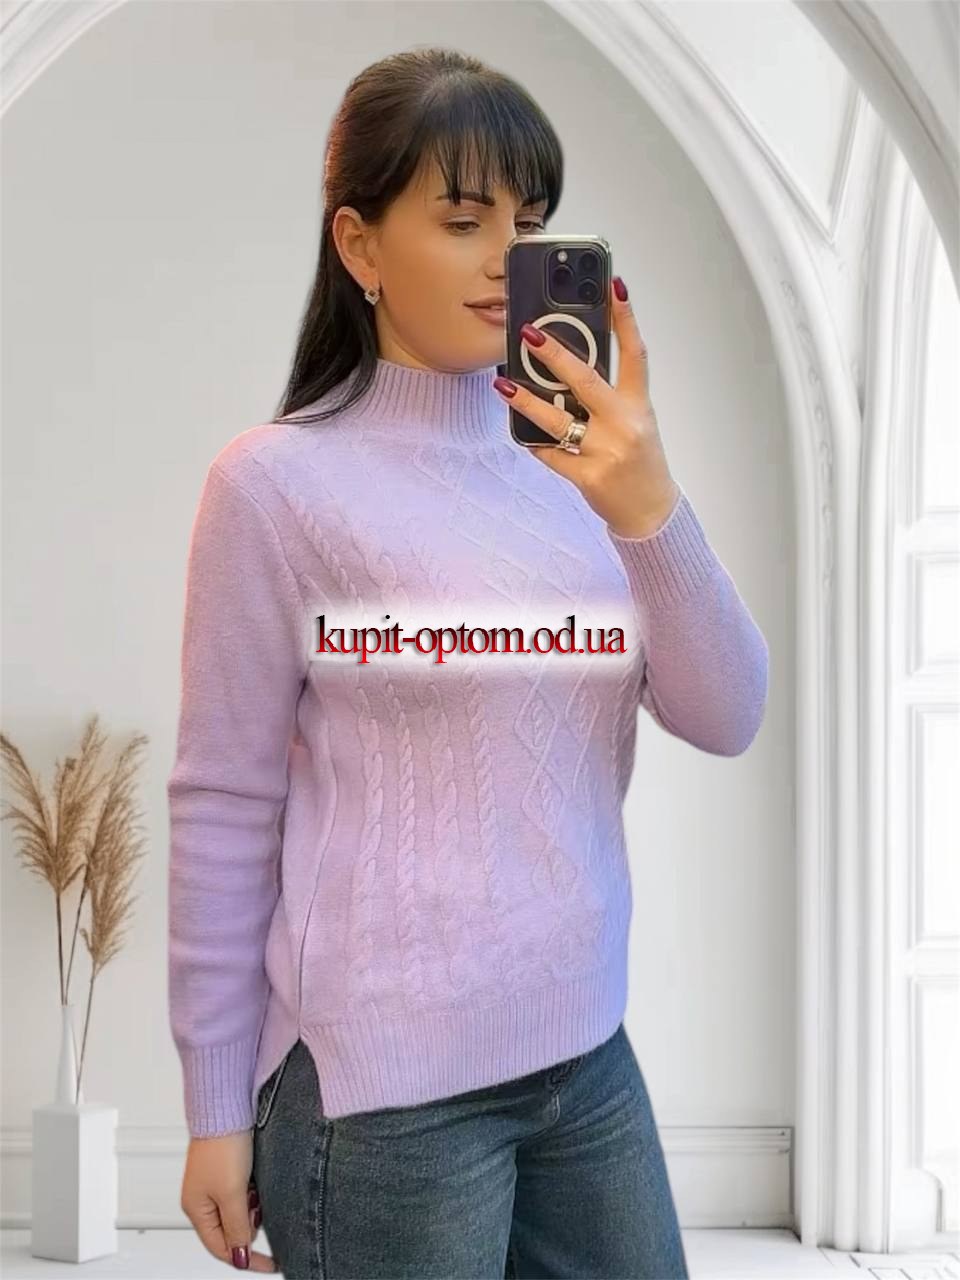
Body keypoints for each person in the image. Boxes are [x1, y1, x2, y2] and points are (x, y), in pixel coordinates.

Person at [168, 45, 768, 1280]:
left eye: (529, 223)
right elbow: (225, 803)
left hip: (586, 1054)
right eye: (461, 219)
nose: (506, 254)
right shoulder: (274, 487)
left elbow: (729, 712)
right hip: (387, 1098)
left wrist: (651, 505)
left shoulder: (593, 472)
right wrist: (215, 1107)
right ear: (360, 246)